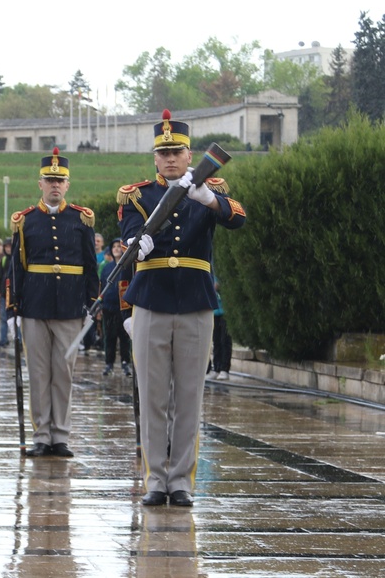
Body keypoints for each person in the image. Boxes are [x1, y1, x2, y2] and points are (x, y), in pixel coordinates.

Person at [118, 109, 246, 507]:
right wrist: (138, 244)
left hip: (194, 301)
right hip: (152, 299)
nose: (171, 158)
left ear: (190, 155)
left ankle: (182, 481)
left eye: (178, 152)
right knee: (152, 394)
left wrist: (209, 199)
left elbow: (238, 217)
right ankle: (156, 478)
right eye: (163, 153)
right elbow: (126, 236)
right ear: (154, 158)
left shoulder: (211, 187)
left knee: (189, 395)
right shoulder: (137, 195)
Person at [7, 148, 98, 459]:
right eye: (49, 180)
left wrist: (92, 304)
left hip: (71, 307)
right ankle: (41, 435)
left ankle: (60, 435)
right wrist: (12, 308)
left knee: (64, 373)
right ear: (40, 183)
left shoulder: (81, 220)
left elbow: (90, 266)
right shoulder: (25, 221)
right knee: (38, 373)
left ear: (68, 185)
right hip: (34, 305)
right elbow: (15, 267)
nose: (55, 185)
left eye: (60, 180)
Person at [99, 238, 131, 377]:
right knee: (109, 337)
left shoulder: (128, 265)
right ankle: (109, 363)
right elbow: (101, 286)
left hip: (124, 306)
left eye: (119, 246)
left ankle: (125, 362)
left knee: (125, 337)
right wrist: (99, 306)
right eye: (114, 247)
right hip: (109, 307)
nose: (117, 249)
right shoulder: (106, 267)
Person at [209, 276, 232, 380]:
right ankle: (216, 368)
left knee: (225, 340)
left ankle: (224, 369)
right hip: (215, 310)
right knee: (216, 340)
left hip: (226, 310)